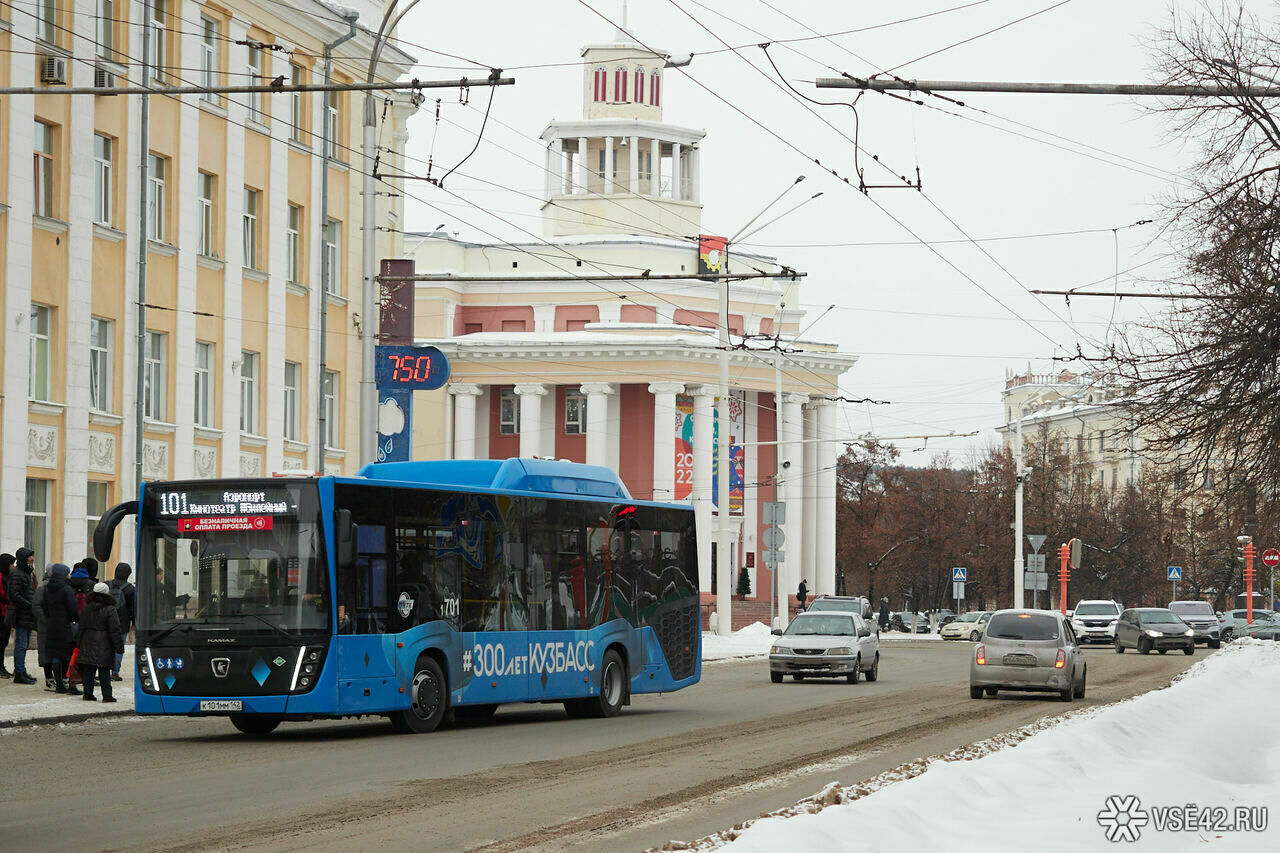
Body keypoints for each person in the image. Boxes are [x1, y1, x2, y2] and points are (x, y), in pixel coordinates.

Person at [76, 582, 123, 702]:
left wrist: (78, 642)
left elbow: (81, 626)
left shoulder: (86, 607)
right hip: (105, 641)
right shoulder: (110, 609)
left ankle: (87, 693)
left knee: (89, 670)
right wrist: (118, 646)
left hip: (87, 639)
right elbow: (114, 629)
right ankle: (107, 695)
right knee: (104, 670)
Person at [42, 563, 80, 695]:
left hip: (53, 626)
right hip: (65, 627)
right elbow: (73, 608)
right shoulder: (66, 589)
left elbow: (45, 608)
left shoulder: (48, 589)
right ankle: (71, 685)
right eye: (68, 573)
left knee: (56, 656)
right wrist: (76, 619)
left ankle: (59, 685)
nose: (70, 575)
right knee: (70, 656)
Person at [6, 548, 39, 685]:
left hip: (27, 614)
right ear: (24, 559)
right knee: (21, 644)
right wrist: (29, 605)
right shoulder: (18, 574)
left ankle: (22, 670)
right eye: (30, 557)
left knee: (24, 644)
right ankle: (19, 672)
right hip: (21, 614)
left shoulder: (27, 573)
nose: (32, 559)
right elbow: (14, 594)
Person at [107, 563, 135, 681]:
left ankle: (103, 670)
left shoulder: (106, 584)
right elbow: (133, 607)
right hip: (122, 623)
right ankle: (115, 672)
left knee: (105, 646)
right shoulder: (130, 589)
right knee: (119, 647)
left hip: (105, 621)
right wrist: (134, 623)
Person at [31, 566, 55, 690]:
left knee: (57, 651)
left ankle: (57, 677)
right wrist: (45, 620)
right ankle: (49, 677)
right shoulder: (42, 589)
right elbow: (36, 606)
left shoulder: (62, 588)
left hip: (57, 625)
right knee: (46, 652)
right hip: (45, 626)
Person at [0, 552, 13, 678]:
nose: (12, 566)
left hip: (6, 612)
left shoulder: (6, 576)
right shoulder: (1, 577)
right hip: (2, 612)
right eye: (11, 564)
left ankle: (1, 666)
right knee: (1, 641)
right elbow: (4, 594)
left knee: (3, 641)